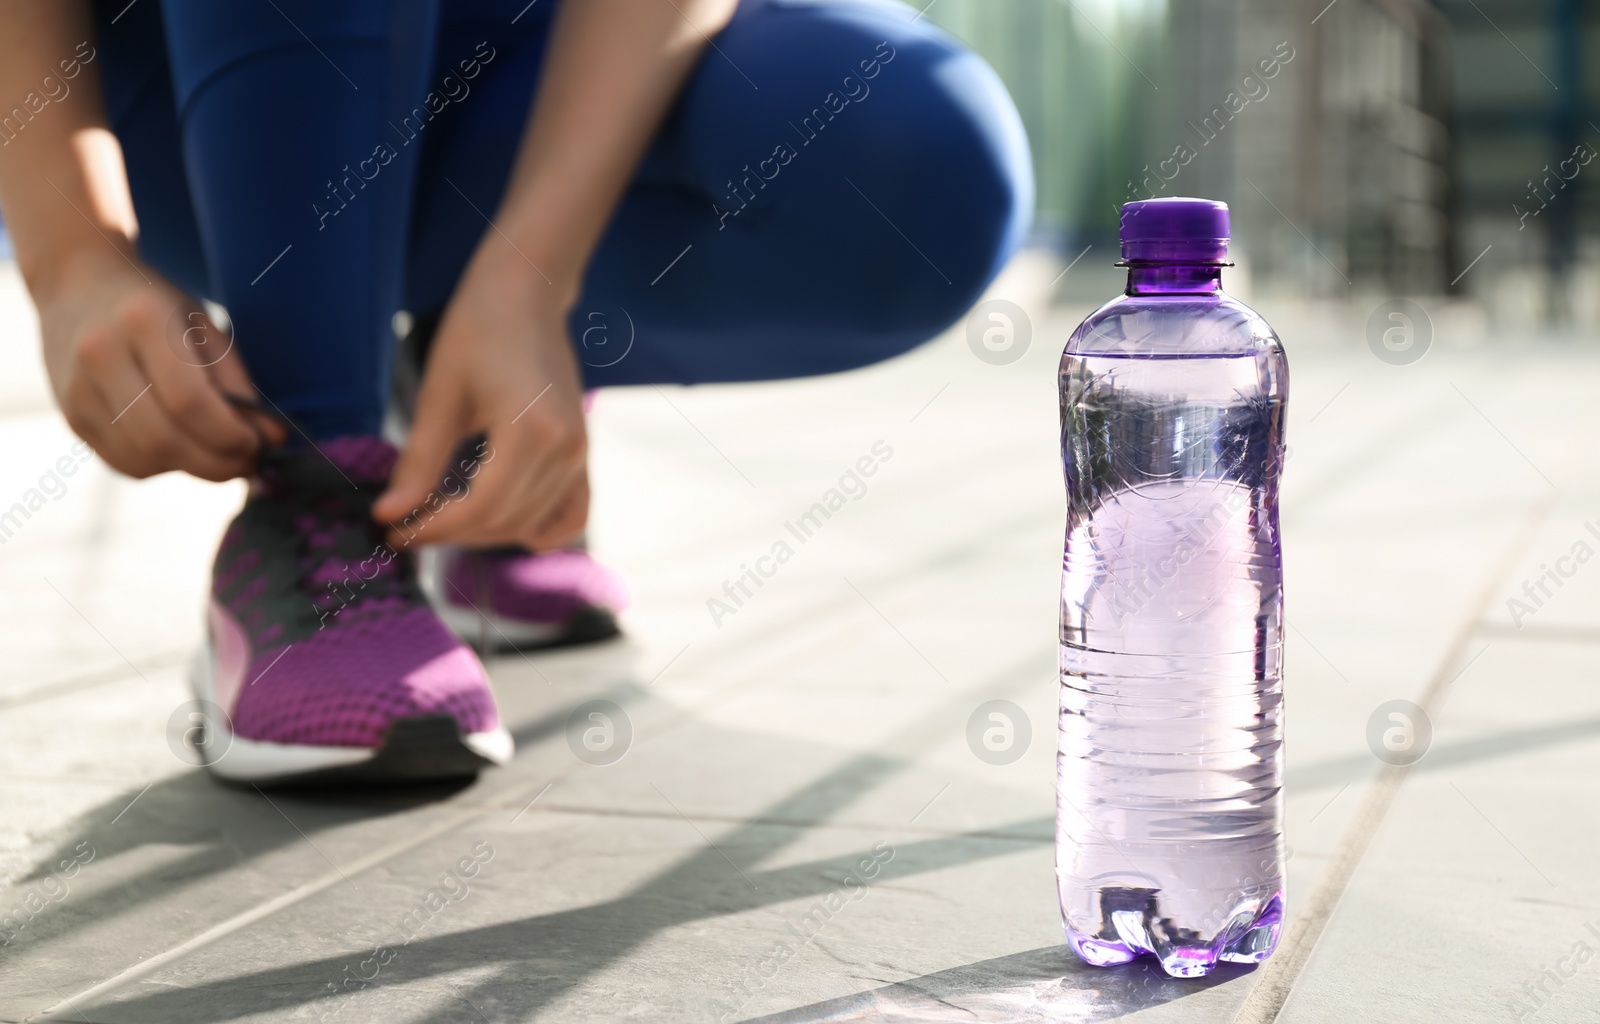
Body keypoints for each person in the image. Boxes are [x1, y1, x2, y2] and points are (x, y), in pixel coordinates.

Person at [0, 0, 1031, 785]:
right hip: (196, 85)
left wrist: (534, 271)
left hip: (519, 70)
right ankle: (319, 492)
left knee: (919, 163)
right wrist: (69, 249)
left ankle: (470, 401)